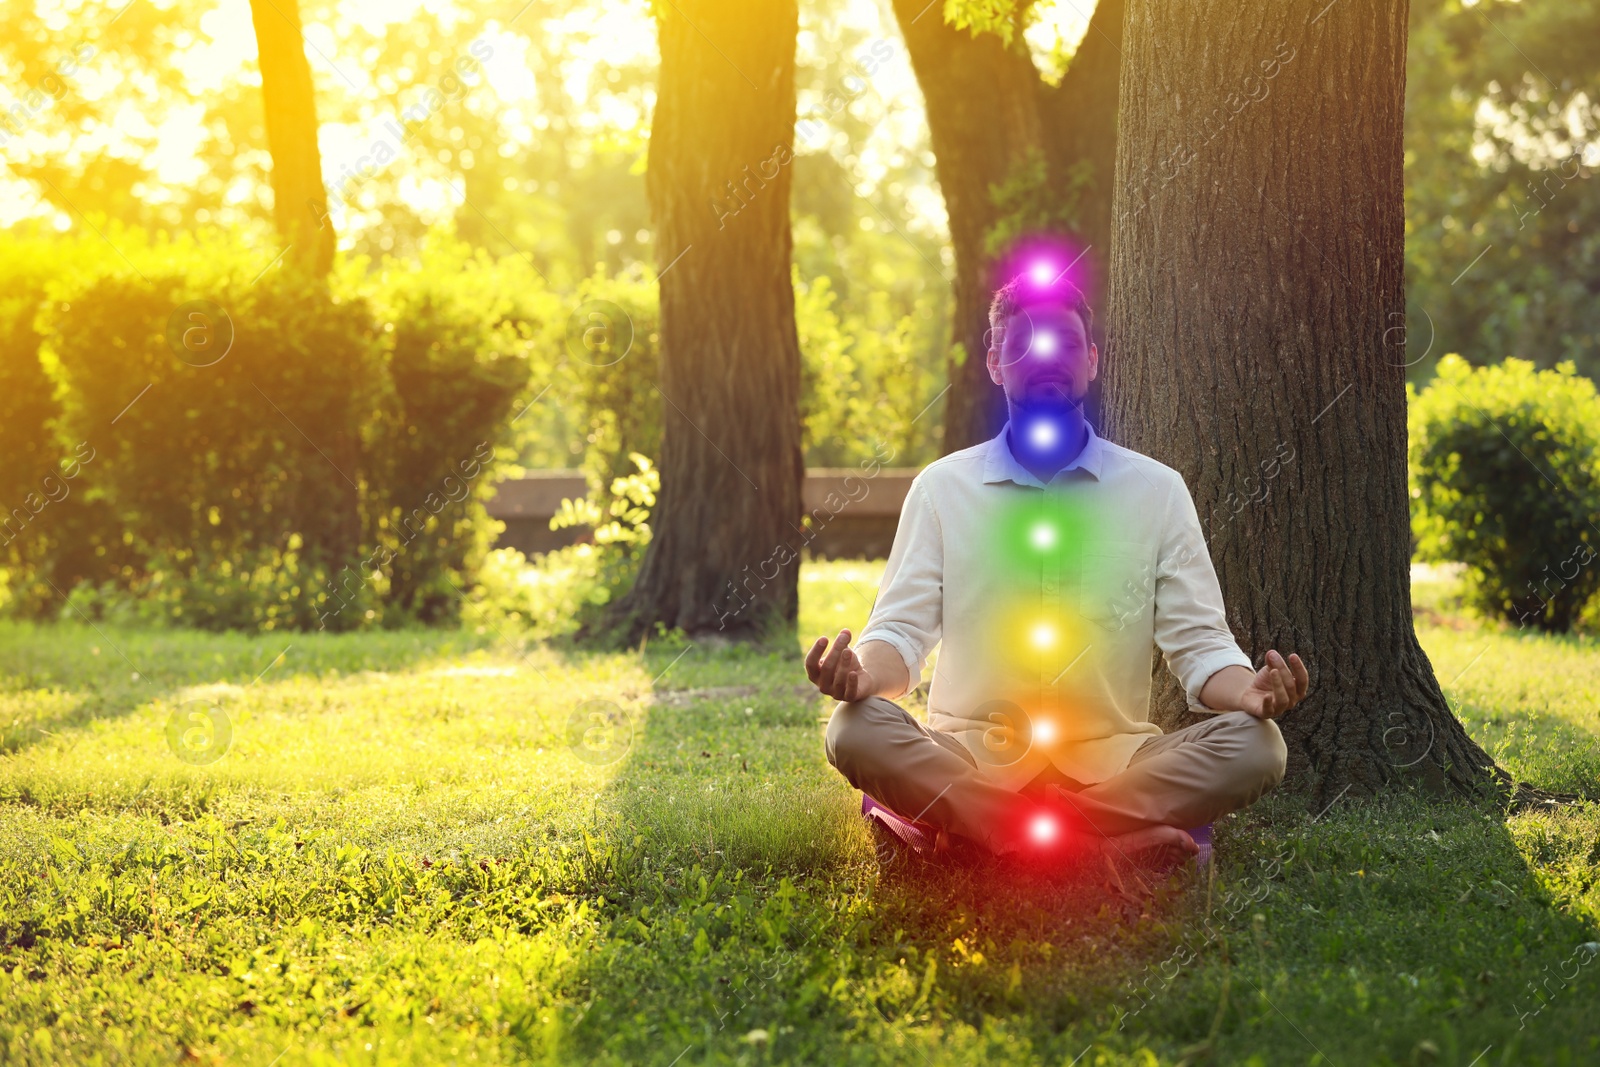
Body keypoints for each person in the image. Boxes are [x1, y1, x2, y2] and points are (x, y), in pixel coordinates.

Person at [806, 265, 1308, 866]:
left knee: (1258, 745)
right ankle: (1092, 843)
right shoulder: (942, 488)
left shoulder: (1157, 489)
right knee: (852, 729)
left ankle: (1004, 835)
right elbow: (899, 633)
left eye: (1066, 342)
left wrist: (1248, 690)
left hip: (1114, 764)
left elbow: (1201, 646)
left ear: (1092, 360)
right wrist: (861, 676)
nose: (1046, 356)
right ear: (994, 362)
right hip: (970, 759)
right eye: (1022, 343)